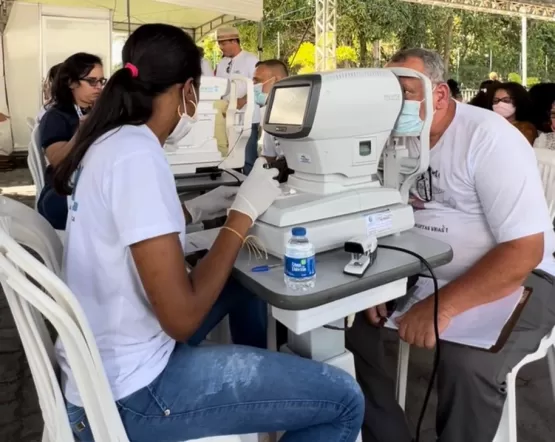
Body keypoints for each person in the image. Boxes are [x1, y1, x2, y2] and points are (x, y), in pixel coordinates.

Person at [53, 23, 364, 442]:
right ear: (187, 91)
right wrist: (242, 215)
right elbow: (181, 320)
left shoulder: (113, 142)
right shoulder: (137, 157)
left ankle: (260, 381)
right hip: (135, 393)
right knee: (345, 400)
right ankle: (258, 390)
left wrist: (204, 206)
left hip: (108, 361)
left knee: (243, 284)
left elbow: (134, 225)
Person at [346, 47, 555, 442]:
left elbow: (525, 250)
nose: (394, 103)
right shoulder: (393, 141)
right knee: (353, 323)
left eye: (405, 91)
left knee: (467, 363)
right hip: (421, 269)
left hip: (520, 276)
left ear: (439, 95)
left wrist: (445, 307)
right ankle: (388, 434)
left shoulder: (490, 139)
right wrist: (377, 278)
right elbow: (384, 213)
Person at [37, 53, 105, 230]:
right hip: (64, 192)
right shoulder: (56, 116)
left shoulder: (98, 111)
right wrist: (81, 133)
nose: (98, 87)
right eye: (92, 81)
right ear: (71, 83)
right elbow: (57, 160)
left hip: (91, 185)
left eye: (101, 81)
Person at [214, 27, 260, 175]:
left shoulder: (250, 60)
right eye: (219, 43)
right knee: (230, 155)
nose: (221, 47)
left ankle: (251, 188)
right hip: (228, 116)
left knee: (247, 156)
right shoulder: (222, 63)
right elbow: (218, 86)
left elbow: (259, 85)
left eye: (223, 43)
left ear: (234, 41)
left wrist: (243, 100)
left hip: (247, 116)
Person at [255, 59, 289, 161]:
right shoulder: (269, 113)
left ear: (277, 80)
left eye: (258, 81)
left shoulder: (298, 113)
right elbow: (269, 156)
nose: (254, 86)